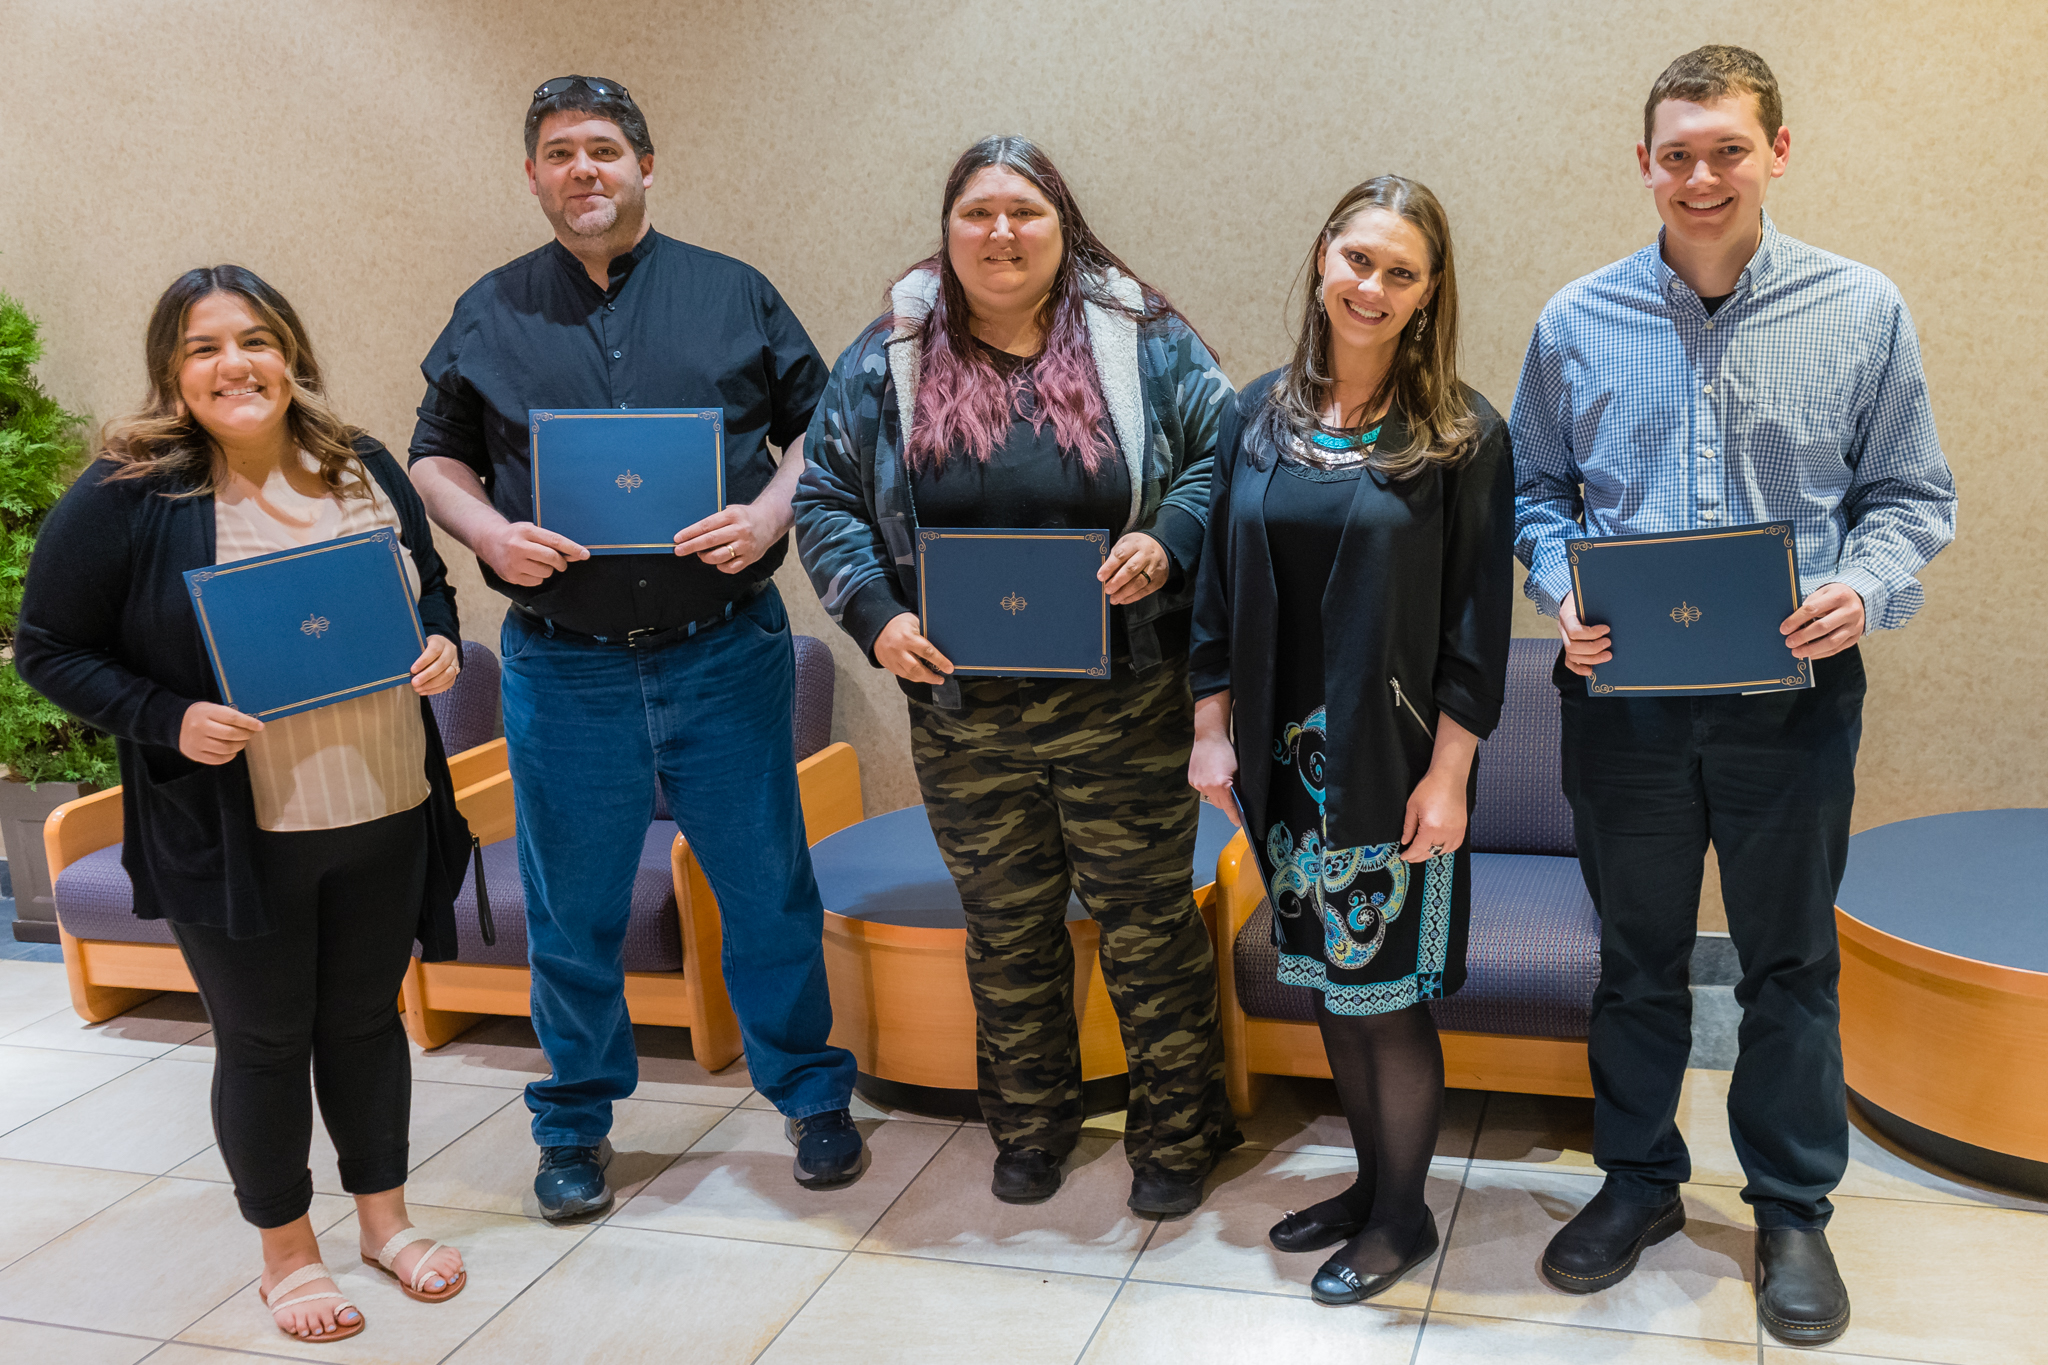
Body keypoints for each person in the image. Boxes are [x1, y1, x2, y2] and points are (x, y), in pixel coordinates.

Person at [1510, 46, 1957, 1345]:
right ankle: (1640, 1181)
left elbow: (1911, 502)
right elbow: (1538, 494)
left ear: (1778, 152)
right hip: (1627, 714)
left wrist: (1863, 590)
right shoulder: (1575, 319)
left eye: (1728, 149)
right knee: (1637, 961)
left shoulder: (1862, 308)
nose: (1701, 176)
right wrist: (1561, 594)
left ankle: (1790, 1208)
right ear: (1643, 163)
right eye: (1677, 152)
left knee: (1788, 964)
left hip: (1794, 706)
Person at [406, 75, 861, 1216]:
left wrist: (768, 515)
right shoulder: (489, 309)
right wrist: (486, 533)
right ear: (533, 176)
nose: (583, 171)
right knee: (573, 908)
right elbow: (432, 458)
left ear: (645, 165)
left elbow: (823, 430)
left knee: (765, 889)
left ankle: (809, 1101)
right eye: (559, 153)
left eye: (603, 149)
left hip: (725, 648)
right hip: (563, 664)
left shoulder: (733, 294)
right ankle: (571, 1127)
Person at [16, 266, 476, 1344]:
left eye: (257, 340)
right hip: (236, 831)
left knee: (366, 1023)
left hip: (384, 803)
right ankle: (286, 1255)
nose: (237, 364)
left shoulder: (358, 465)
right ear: (173, 377)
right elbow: (46, 650)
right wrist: (165, 716)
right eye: (205, 347)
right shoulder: (132, 493)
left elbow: (435, 585)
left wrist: (444, 642)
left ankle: (385, 1224)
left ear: (292, 355)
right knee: (265, 1040)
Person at [794, 134, 1240, 1215]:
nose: (1000, 233)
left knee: (1147, 925)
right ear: (946, 233)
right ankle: (1030, 1128)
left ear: (1063, 227)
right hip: (963, 713)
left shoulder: (1141, 340)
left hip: (1126, 704)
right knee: (1005, 928)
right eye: (977, 214)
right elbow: (821, 499)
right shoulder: (888, 355)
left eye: (1024, 213)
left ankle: (1178, 1134)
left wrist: (1171, 535)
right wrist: (875, 614)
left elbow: (1223, 456)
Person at [1188, 175, 1512, 1304]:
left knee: (1384, 995)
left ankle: (1403, 1215)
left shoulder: (1462, 436)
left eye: (1399, 272)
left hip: (1389, 766)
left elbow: (1478, 625)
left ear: (1427, 296)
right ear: (1321, 259)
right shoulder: (1255, 415)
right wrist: (1209, 728)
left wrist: (1451, 774)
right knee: (1329, 985)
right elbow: (1217, 592)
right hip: (1280, 774)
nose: (1369, 287)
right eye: (1355, 260)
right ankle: (1370, 1184)